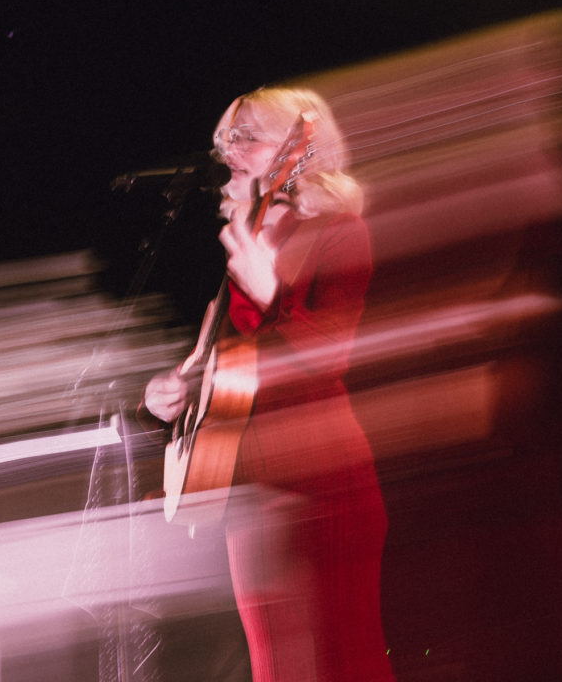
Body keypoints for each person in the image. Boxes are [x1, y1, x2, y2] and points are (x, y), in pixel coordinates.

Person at [143, 86, 394, 682]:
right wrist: (171, 394)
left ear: (297, 149)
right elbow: (225, 370)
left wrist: (270, 291)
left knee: (344, 663)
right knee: (276, 669)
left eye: (248, 135)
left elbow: (328, 354)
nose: (230, 148)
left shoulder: (338, 232)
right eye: (227, 136)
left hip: (322, 480)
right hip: (252, 487)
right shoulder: (244, 241)